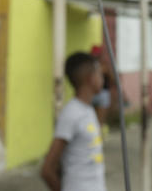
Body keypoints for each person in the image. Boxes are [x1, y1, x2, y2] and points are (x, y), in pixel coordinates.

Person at [40, 52, 106, 191]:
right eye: (99, 74)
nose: (102, 78)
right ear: (91, 78)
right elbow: (47, 170)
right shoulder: (71, 114)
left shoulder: (88, 109)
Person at [89, 45, 113, 129]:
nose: (96, 56)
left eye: (97, 54)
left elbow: (112, 79)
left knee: (100, 121)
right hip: (92, 94)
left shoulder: (104, 65)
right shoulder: (89, 65)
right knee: (91, 119)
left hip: (103, 93)